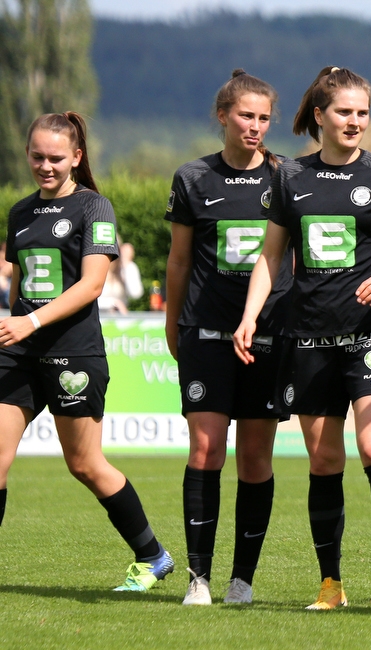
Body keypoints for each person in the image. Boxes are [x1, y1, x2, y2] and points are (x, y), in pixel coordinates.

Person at [233, 66, 371, 612]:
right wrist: (250, 316)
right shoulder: (289, 176)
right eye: (344, 112)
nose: (355, 121)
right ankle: (330, 584)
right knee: (323, 462)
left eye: (363, 112)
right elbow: (270, 257)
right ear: (320, 116)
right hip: (309, 334)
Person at [0, 112, 173, 591]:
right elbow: (17, 289)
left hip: (73, 355)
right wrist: (15, 324)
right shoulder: (19, 212)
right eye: (37, 156)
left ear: (76, 157)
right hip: (19, 354)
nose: (45, 166)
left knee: (85, 465)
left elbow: (93, 283)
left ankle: (152, 555)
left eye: (56, 157)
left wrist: (30, 320)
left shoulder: (94, 207)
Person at [165, 70, 293, 606]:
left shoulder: (287, 177)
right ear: (223, 116)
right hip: (207, 333)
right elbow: (179, 259)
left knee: (256, 458)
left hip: (270, 335)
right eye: (246, 116)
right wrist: (175, 325)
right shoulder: (192, 178)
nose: (256, 127)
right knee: (205, 448)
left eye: (264, 118)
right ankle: (199, 577)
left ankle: (242, 580)